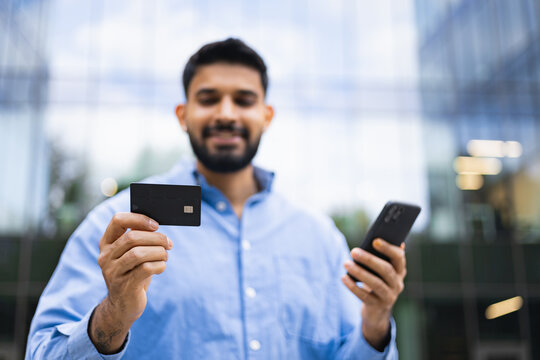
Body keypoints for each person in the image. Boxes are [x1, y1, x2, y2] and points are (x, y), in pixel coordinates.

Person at [26, 38, 406, 359]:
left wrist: (374, 325)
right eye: (208, 99)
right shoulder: (119, 223)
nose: (226, 114)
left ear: (266, 115)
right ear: (183, 114)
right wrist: (113, 316)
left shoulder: (319, 237)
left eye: (244, 100)